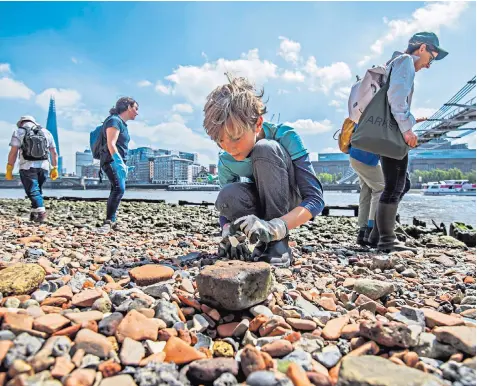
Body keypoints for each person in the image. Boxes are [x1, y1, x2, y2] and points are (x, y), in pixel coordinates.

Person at [203, 75, 325, 267]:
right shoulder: (226, 161)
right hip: (259, 204)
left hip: (290, 200)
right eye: (220, 141)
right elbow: (226, 207)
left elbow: (315, 199)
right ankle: (256, 239)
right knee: (227, 194)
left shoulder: (286, 135)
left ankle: (277, 244)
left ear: (258, 123)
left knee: (265, 149)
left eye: (235, 138)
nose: (229, 148)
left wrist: (277, 227)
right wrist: (228, 230)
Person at [370, 32, 448, 252]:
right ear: (422, 48)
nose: (430, 65)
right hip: (394, 132)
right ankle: (387, 241)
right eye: (431, 58)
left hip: (389, 131)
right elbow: (396, 98)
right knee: (395, 185)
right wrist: (407, 129)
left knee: (403, 183)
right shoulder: (405, 62)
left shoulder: (395, 62)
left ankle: (377, 235)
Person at [96, 97, 138, 234]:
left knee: (117, 189)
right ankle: (108, 221)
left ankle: (112, 220)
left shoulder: (122, 124)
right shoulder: (114, 121)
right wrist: (118, 162)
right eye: (135, 108)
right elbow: (111, 143)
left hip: (118, 161)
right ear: (128, 107)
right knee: (119, 188)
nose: (137, 113)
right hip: (111, 160)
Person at [6, 115, 58, 222]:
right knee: (37, 190)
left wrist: (9, 167)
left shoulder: (19, 132)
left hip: (27, 166)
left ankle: (41, 213)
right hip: (44, 167)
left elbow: (13, 152)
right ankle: (34, 214)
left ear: (21, 123)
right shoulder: (46, 132)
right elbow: (54, 152)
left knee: (33, 191)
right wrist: (55, 167)